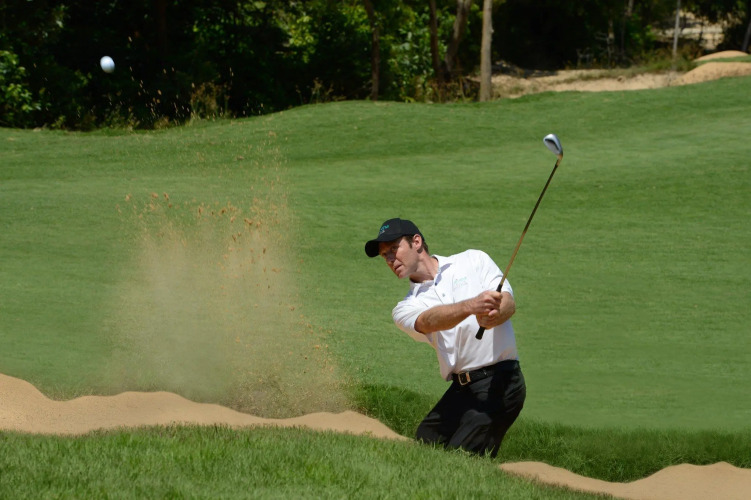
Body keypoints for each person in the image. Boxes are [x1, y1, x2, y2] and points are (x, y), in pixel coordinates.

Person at [365, 217, 526, 458]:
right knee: (425, 442)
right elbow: (428, 321)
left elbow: (508, 303)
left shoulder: (473, 260)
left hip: (501, 381)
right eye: (384, 256)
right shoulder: (405, 307)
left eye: (393, 249)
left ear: (416, 242)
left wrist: (495, 316)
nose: (389, 259)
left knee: (460, 457)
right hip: (463, 388)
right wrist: (471, 306)